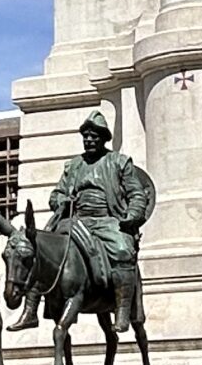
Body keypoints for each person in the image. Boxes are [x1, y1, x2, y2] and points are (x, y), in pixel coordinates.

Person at [49, 110, 150, 335]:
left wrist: (132, 215)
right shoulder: (73, 165)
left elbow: (137, 194)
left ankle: (123, 310)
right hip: (76, 221)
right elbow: (56, 194)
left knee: (123, 250)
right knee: (42, 249)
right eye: (86, 136)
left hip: (108, 220)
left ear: (103, 138)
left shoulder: (119, 162)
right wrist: (61, 200)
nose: (89, 140)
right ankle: (34, 306)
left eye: (94, 136)